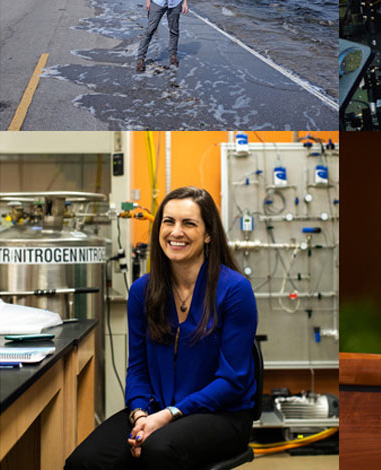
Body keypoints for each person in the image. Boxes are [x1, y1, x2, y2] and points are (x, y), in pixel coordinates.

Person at [65, 186, 257, 470]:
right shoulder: (144, 291)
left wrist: (169, 415)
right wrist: (141, 414)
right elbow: (138, 368)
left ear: (207, 235)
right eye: (169, 222)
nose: (176, 232)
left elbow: (231, 382)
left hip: (222, 414)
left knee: (158, 451)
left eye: (188, 223)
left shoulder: (234, 291)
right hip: (156, 410)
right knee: (84, 462)